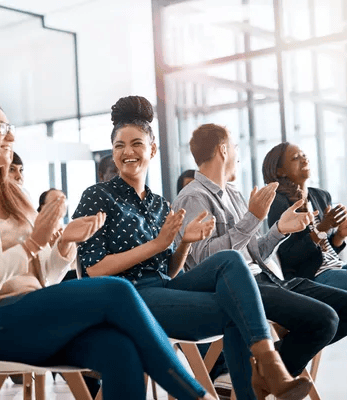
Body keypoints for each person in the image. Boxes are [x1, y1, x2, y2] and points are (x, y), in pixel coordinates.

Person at [0, 101, 219, 400]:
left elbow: (46, 278)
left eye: (10, 128)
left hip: (35, 311)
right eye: (0, 128)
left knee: (120, 349)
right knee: (117, 291)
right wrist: (31, 245)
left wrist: (65, 242)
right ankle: (195, 395)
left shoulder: (16, 197)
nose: (11, 137)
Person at [73, 95, 311, 400]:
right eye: (119, 145)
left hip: (164, 288)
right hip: (127, 298)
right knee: (234, 310)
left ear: (153, 149)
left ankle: (271, 365)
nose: (127, 152)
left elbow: (169, 269)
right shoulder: (98, 195)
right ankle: (262, 382)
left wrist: (184, 242)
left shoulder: (160, 204)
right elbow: (95, 269)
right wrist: (158, 244)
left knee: (227, 260)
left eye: (136, 144)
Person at [173, 123, 347, 383]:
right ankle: (262, 375)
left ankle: (257, 373)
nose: (238, 154)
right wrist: (252, 219)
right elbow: (208, 261)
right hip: (240, 288)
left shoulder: (234, 193)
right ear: (223, 150)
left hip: (269, 279)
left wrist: (279, 230)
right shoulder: (192, 198)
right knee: (325, 320)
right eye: (235, 147)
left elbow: (253, 252)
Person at [262, 142, 347, 293]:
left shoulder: (320, 196)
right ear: (280, 172)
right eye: (295, 158)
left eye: (304, 156)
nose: (304, 160)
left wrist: (340, 235)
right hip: (311, 277)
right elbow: (289, 257)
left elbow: (323, 254)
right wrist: (322, 228)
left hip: (336, 267)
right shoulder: (279, 203)